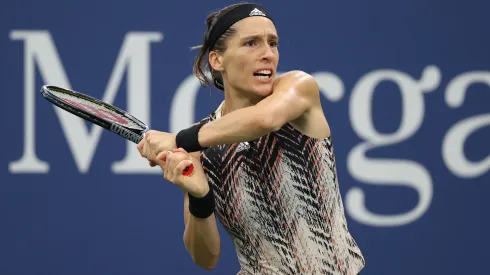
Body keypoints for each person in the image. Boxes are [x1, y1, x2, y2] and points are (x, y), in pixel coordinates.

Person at [137, 2, 365, 274]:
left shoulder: (299, 89)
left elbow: (262, 120)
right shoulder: (201, 148)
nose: (268, 54)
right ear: (217, 59)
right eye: (251, 44)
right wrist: (200, 197)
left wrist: (180, 139)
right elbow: (205, 257)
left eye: (273, 43)